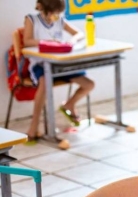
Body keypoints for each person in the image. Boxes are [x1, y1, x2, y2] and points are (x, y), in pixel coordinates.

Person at [23, 0, 95, 142]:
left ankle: (69, 104)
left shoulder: (59, 20)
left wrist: (72, 41)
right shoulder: (31, 19)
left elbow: (79, 34)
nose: (53, 17)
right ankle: (34, 126)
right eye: (51, 13)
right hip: (40, 64)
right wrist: (47, 43)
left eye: (56, 13)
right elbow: (27, 41)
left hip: (60, 64)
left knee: (89, 84)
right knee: (44, 85)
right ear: (41, 7)